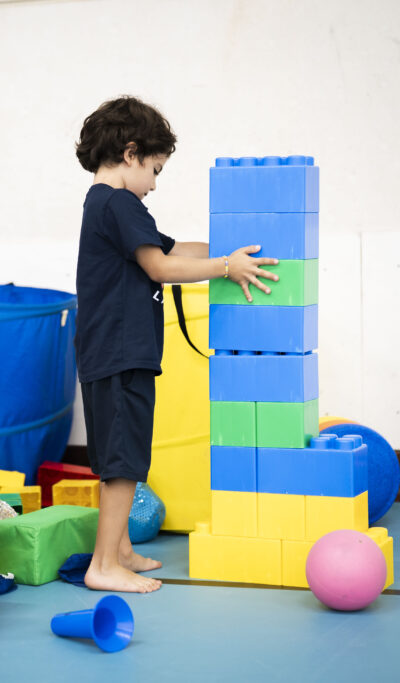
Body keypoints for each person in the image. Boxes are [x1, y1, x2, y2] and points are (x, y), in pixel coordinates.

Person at [74, 96, 277, 593]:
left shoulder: (103, 204)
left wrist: (234, 247)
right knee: (124, 460)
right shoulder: (121, 203)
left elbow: (171, 249)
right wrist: (228, 268)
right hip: (121, 351)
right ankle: (103, 566)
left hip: (105, 349)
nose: (155, 184)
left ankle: (118, 548)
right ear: (130, 153)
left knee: (115, 455)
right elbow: (163, 268)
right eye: (155, 169)